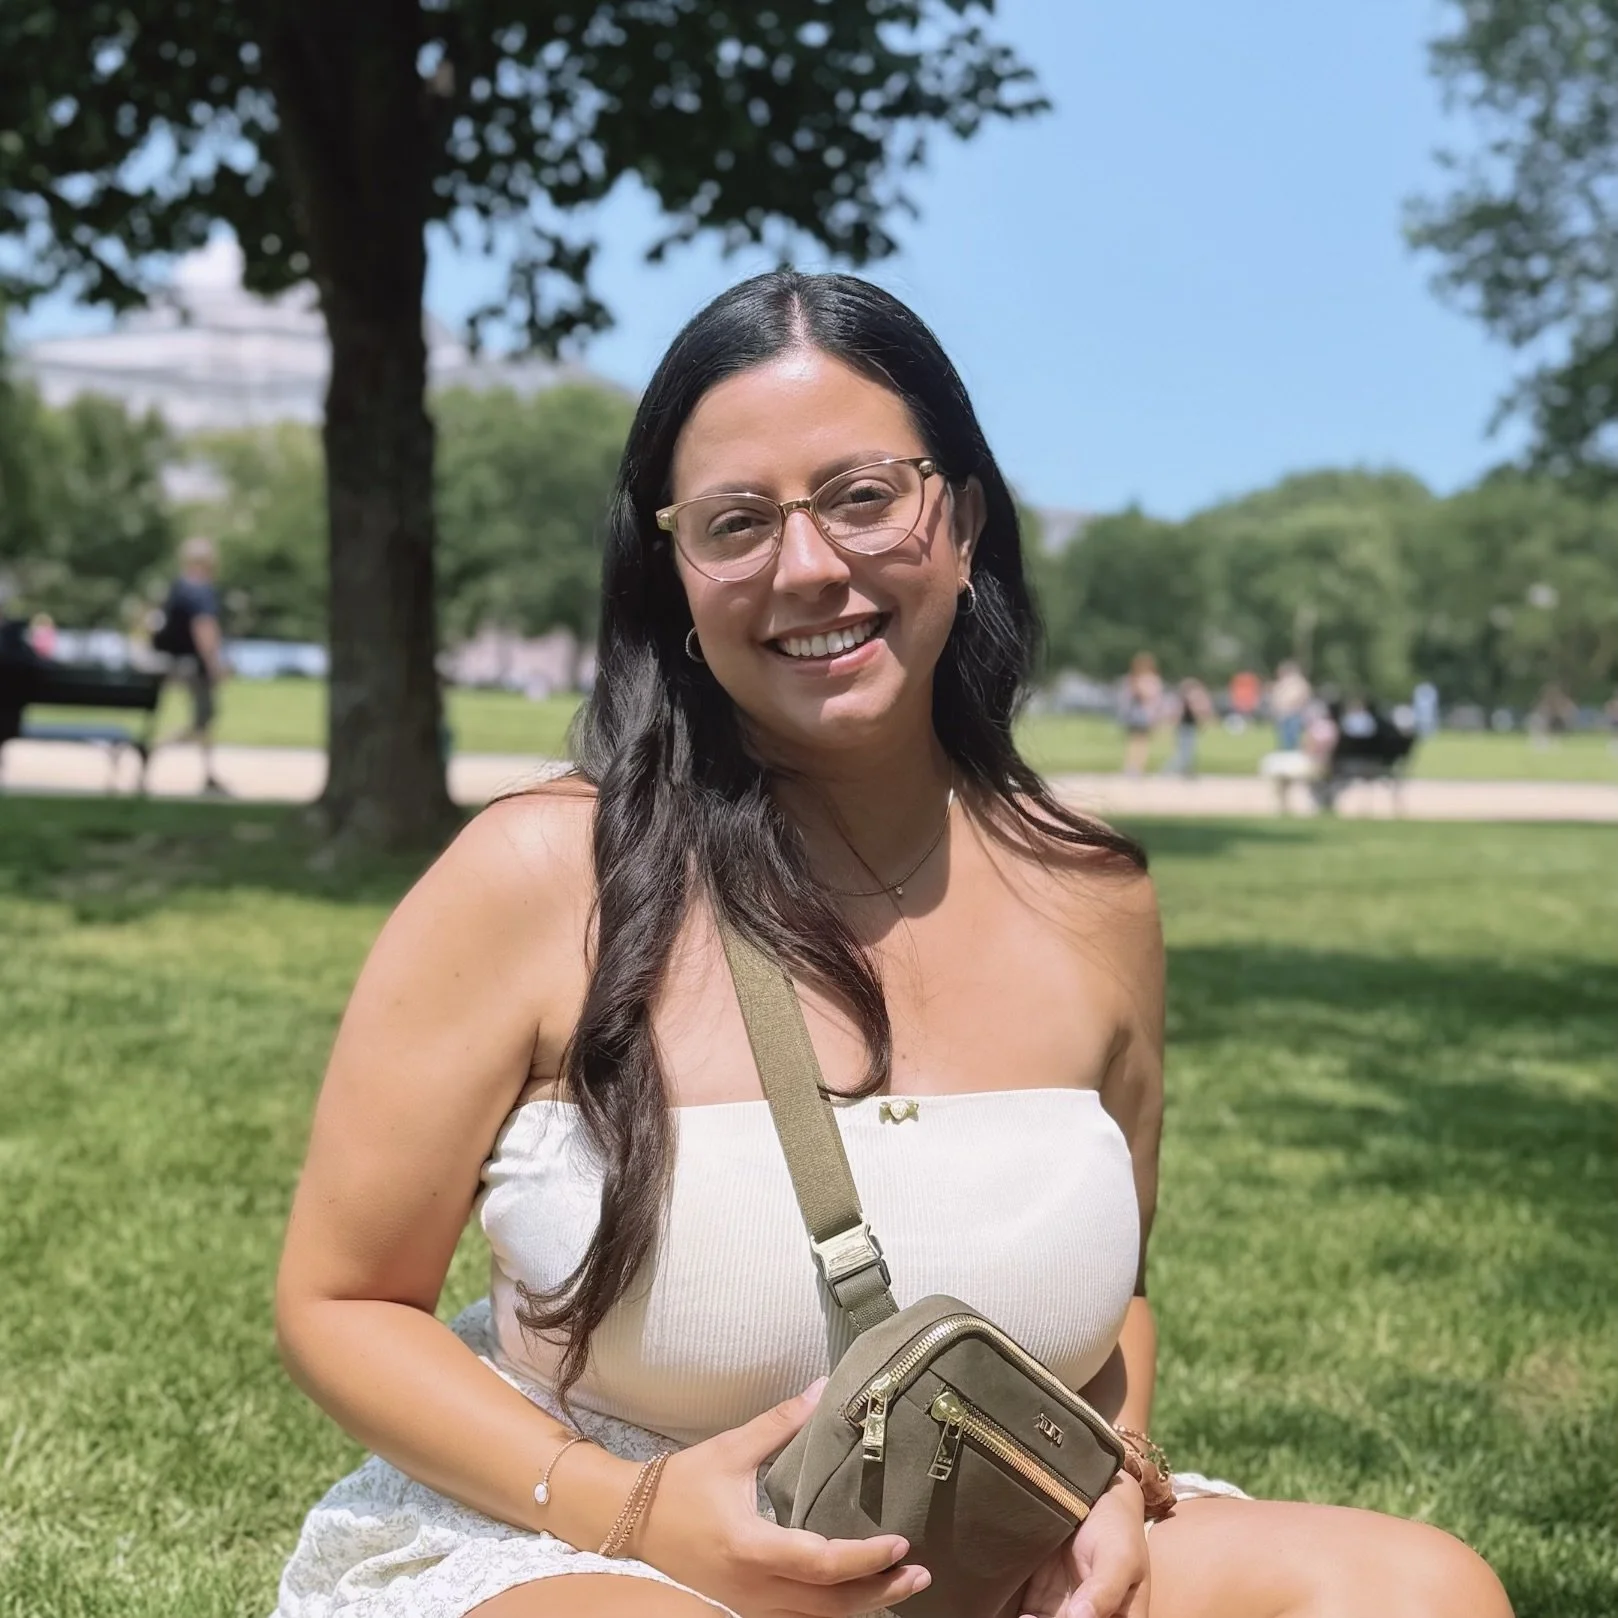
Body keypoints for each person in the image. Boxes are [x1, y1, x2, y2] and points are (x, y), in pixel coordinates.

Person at [272, 272, 1512, 1618]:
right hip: (593, 1541)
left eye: (865, 496)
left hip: (985, 1533)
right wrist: (631, 1507)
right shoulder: (536, 875)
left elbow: (1112, 1295)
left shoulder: (1091, 891)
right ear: (674, 571)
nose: (808, 566)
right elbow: (343, 1300)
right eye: (737, 521)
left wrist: (1105, 1464)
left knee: (1415, 1590)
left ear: (963, 518)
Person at [152, 535, 230, 794]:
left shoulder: (178, 586)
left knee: (203, 721)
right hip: (193, 664)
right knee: (203, 718)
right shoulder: (201, 589)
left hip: (172, 661)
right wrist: (214, 663)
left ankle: (208, 772)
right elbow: (204, 628)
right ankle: (157, 748)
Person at [1117, 651, 1163, 775]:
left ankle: (1138, 767)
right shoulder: (1132, 678)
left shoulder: (1151, 680)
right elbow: (1126, 697)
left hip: (1145, 714)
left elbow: (1152, 698)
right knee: (1133, 741)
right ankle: (1131, 767)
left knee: (1142, 742)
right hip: (1134, 714)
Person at [1165, 677, 1212, 779]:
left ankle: (1185, 771)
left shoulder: (1186, 700)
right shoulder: (1186, 700)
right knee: (1183, 752)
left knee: (1188, 751)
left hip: (1189, 726)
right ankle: (1168, 771)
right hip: (1185, 727)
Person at [1269, 660, 1311, 753]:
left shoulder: (1298, 682)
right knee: (1283, 735)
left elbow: (1301, 696)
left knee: (1292, 734)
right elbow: (1276, 697)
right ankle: (1285, 751)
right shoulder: (1281, 683)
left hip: (1293, 712)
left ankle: (1292, 751)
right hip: (1282, 713)